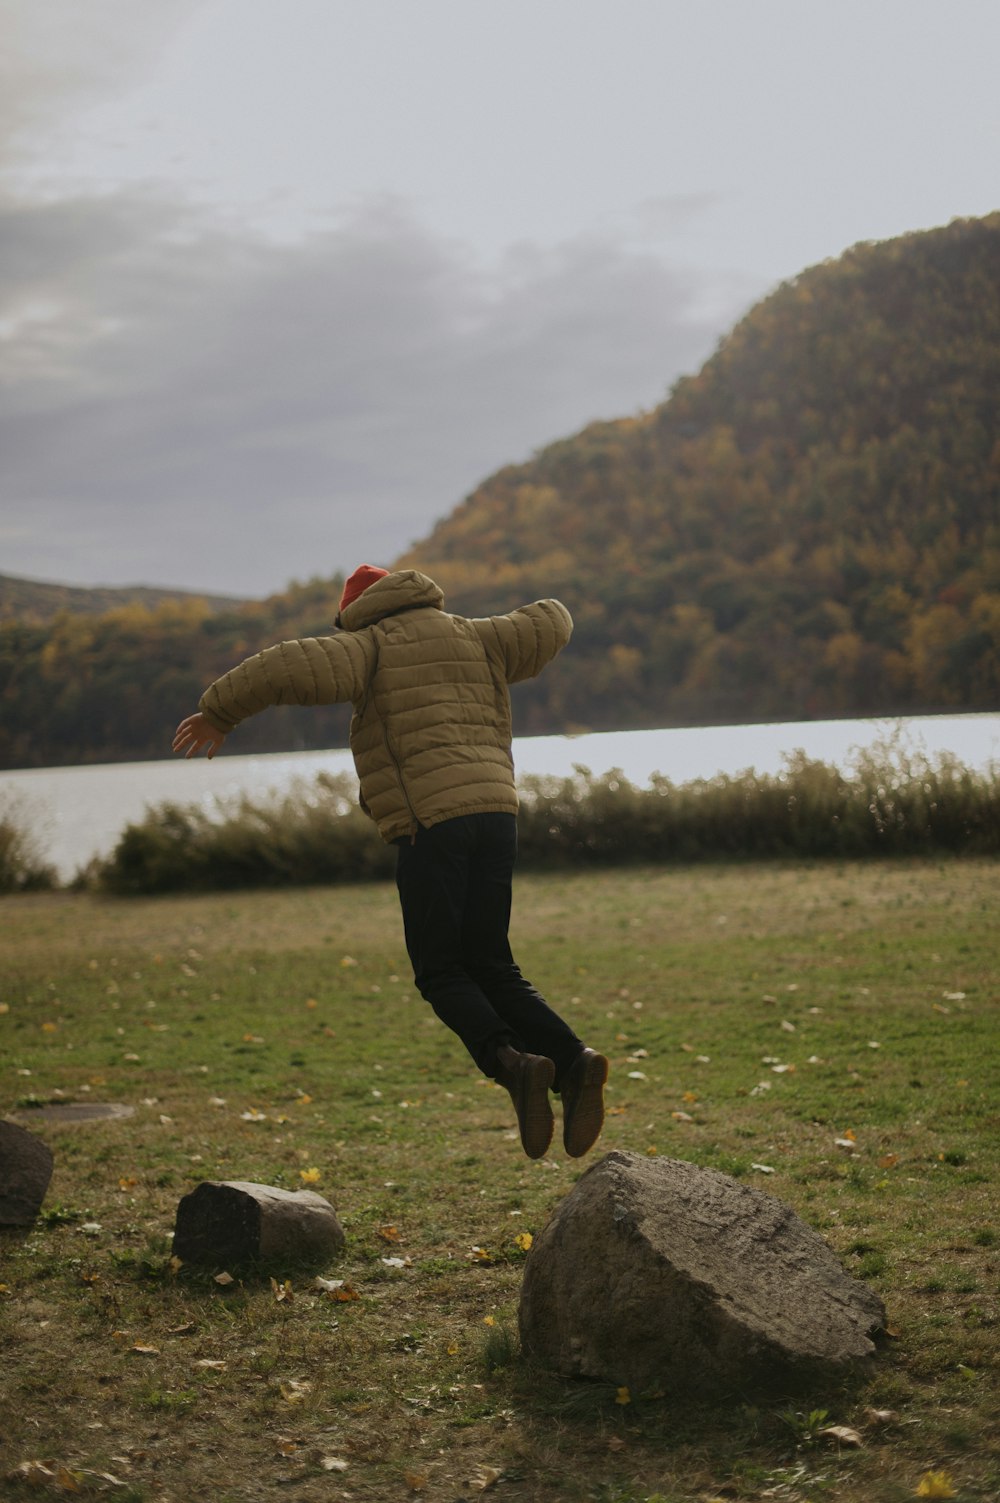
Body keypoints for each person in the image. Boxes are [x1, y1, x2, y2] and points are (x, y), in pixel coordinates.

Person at [172, 564, 608, 1160]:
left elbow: (284, 667)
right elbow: (551, 619)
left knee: (440, 971)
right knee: (493, 963)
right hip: (496, 815)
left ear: (358, 610)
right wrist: (549, 605)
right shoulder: (478, 635)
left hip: (432, 822)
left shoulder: (369, 646)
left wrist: (218, 712)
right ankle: (576, 1064)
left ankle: (514, 1065)